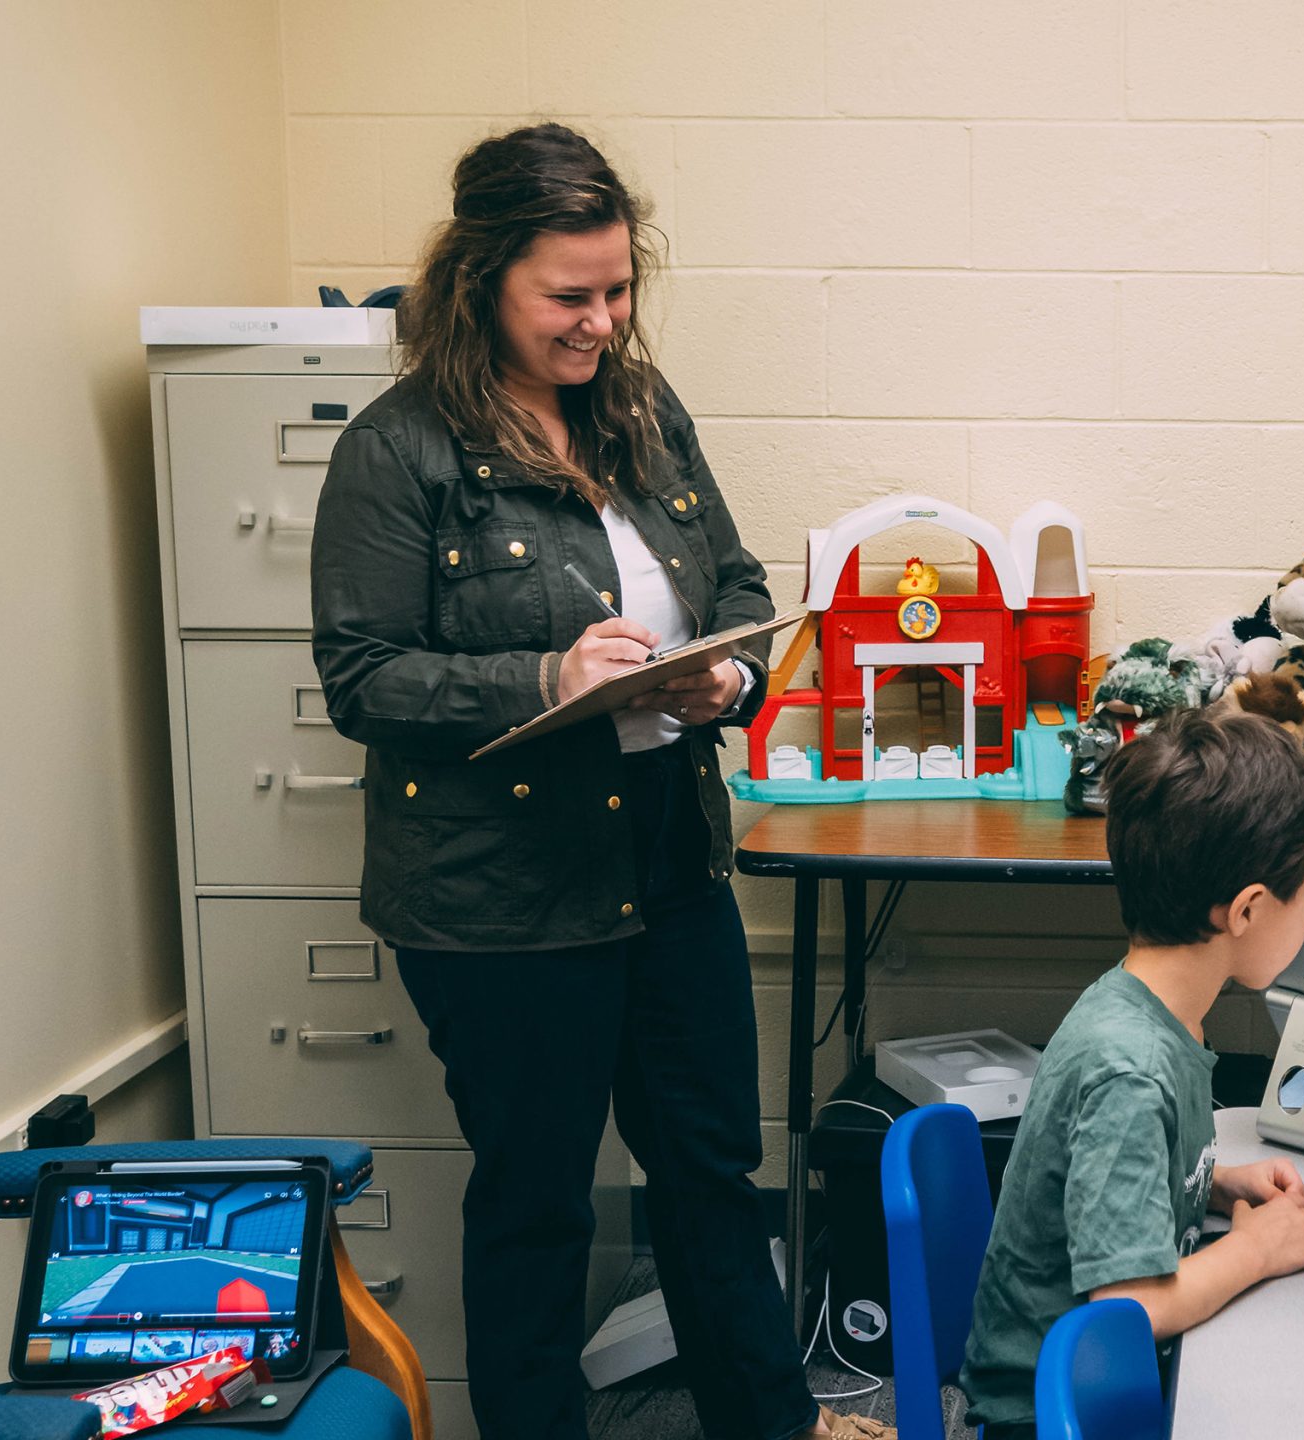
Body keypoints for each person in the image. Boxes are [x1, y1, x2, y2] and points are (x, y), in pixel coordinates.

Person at [310, 124, 883, 1440]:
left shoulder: (639, 406)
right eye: (569, 297)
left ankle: (771, 1427)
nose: (602, 322)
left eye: (618, 290)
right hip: (501, 903)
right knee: (538, 1207)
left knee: (709, 1180)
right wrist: (548, 681)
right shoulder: (399, 453)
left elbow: (733, 583)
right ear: (478, 285)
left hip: (667, 867)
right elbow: (364, 678)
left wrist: (723, 679)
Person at [959, 710, 1304, 1437]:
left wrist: (1217, 1179)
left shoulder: (1148, 1007)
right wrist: (1255, 1251)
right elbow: (1127, 1306)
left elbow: (1113, 1171)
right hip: (1054, 1413)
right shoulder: (1131, 1070)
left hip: (1089, 1382)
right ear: (1248, 910)